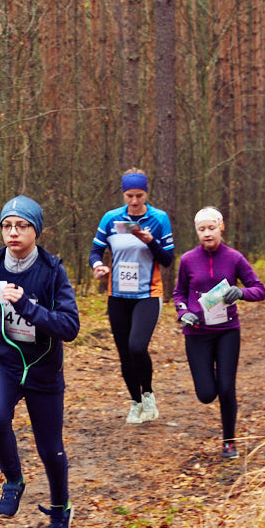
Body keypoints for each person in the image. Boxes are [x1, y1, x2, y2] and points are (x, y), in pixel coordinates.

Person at [0, 196, 80, 528]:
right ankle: (13, 478)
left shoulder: (52, 272)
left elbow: (69, 326)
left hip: (43, 367)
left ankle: (60, 510)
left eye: (22, 226)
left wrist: (27, 306)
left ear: (35, 231)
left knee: (50, 449)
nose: (13, 233)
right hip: (4, 360)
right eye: (7, 226)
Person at [172, 207, 265, 459]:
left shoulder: (234, 258)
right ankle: (212, 371)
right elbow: (179, 293)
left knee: (226, 389)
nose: (206, 234)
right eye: (201, 229)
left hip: (227, 332)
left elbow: (260, 289)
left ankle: (229, 442)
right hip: (197, 333)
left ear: (220, 228)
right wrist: (184, 313)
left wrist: (242, 292)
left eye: (211, 228)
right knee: (206, 394)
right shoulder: (188, 260)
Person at [89, 169, 175, 424]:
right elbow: (95, 251)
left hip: (148, 293)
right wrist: (98, 266)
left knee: (137, 346)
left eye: (139, 195)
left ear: (146, 193)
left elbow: (168, 259)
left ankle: (148, 394)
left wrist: (151, 241)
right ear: (123, 194)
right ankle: (135, 402)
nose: (134, 201)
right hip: (118, 295)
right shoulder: (111, 218)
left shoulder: (158, 218)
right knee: (124, 353)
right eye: (129, 196)